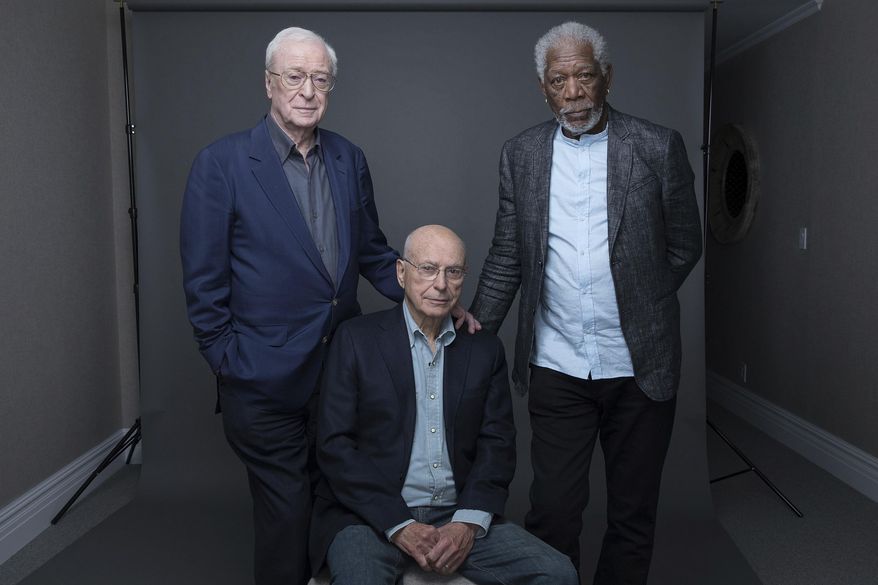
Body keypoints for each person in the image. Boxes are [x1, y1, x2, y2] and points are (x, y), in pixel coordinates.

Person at [180, 27, 475, 585]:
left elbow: (371, 251)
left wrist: (433, 302)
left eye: (320, 79)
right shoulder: (221, 165)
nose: (308, 90)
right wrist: (230, 364)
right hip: (261, 379)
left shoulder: (348, 158)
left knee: (336, 502)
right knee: (287, 511)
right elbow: (203, 284)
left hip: (342, 372)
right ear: (269, 83)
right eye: (295, 77)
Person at [469, 21, 703, 585]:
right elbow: (508, 254)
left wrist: (637, 299)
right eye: (558, 80)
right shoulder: (520, 154)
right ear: (542, 87)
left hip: (640, 367)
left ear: (606, 77)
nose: (572, 92)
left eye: (583, 76)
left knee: (632, 513)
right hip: (558, 364)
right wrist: (473, 325)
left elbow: (685, 243)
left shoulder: (656, 145)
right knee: (552, 511)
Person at [311, 225, 578, 585]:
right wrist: (399, 524)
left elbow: (496, 445)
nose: (441, 284)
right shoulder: (356, 340)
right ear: (402, 273)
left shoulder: (484, 350)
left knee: (558, 573)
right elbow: (335, 446)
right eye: (428, 269)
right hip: (370, 516)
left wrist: (467, 523)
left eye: (453, 272)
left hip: (455, 514)